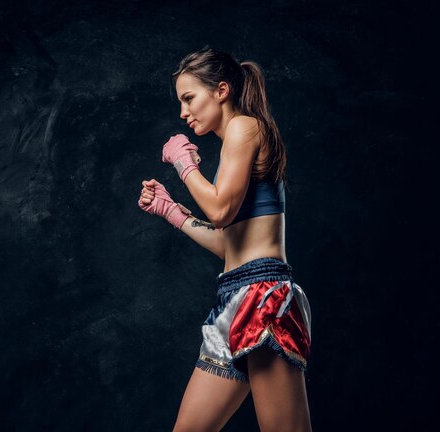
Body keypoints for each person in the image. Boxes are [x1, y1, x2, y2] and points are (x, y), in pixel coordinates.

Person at [138, 47, 313, 432]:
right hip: (236, 295)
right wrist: (173, 212)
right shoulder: (234, 142)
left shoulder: (243, 127)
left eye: (189, 98)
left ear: (221, 90)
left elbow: (219, 212)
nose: (183, 113)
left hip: (262, 299)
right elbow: (229, 243)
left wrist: (183, 162)